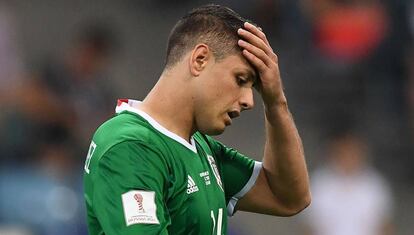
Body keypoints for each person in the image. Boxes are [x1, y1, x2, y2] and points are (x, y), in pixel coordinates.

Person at [83, 4, 311, 235]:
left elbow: (288, 198)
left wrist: (276, 103)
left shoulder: (199, 146)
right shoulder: (130, 147)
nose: (249, 101)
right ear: (200, 59)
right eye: (241, 79)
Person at [302, 131, 394, 235]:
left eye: (353, 152)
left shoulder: (375, 184)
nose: (348, 156)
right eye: (344, 152)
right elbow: (309, 226)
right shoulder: (319, 183)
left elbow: (385, 225)